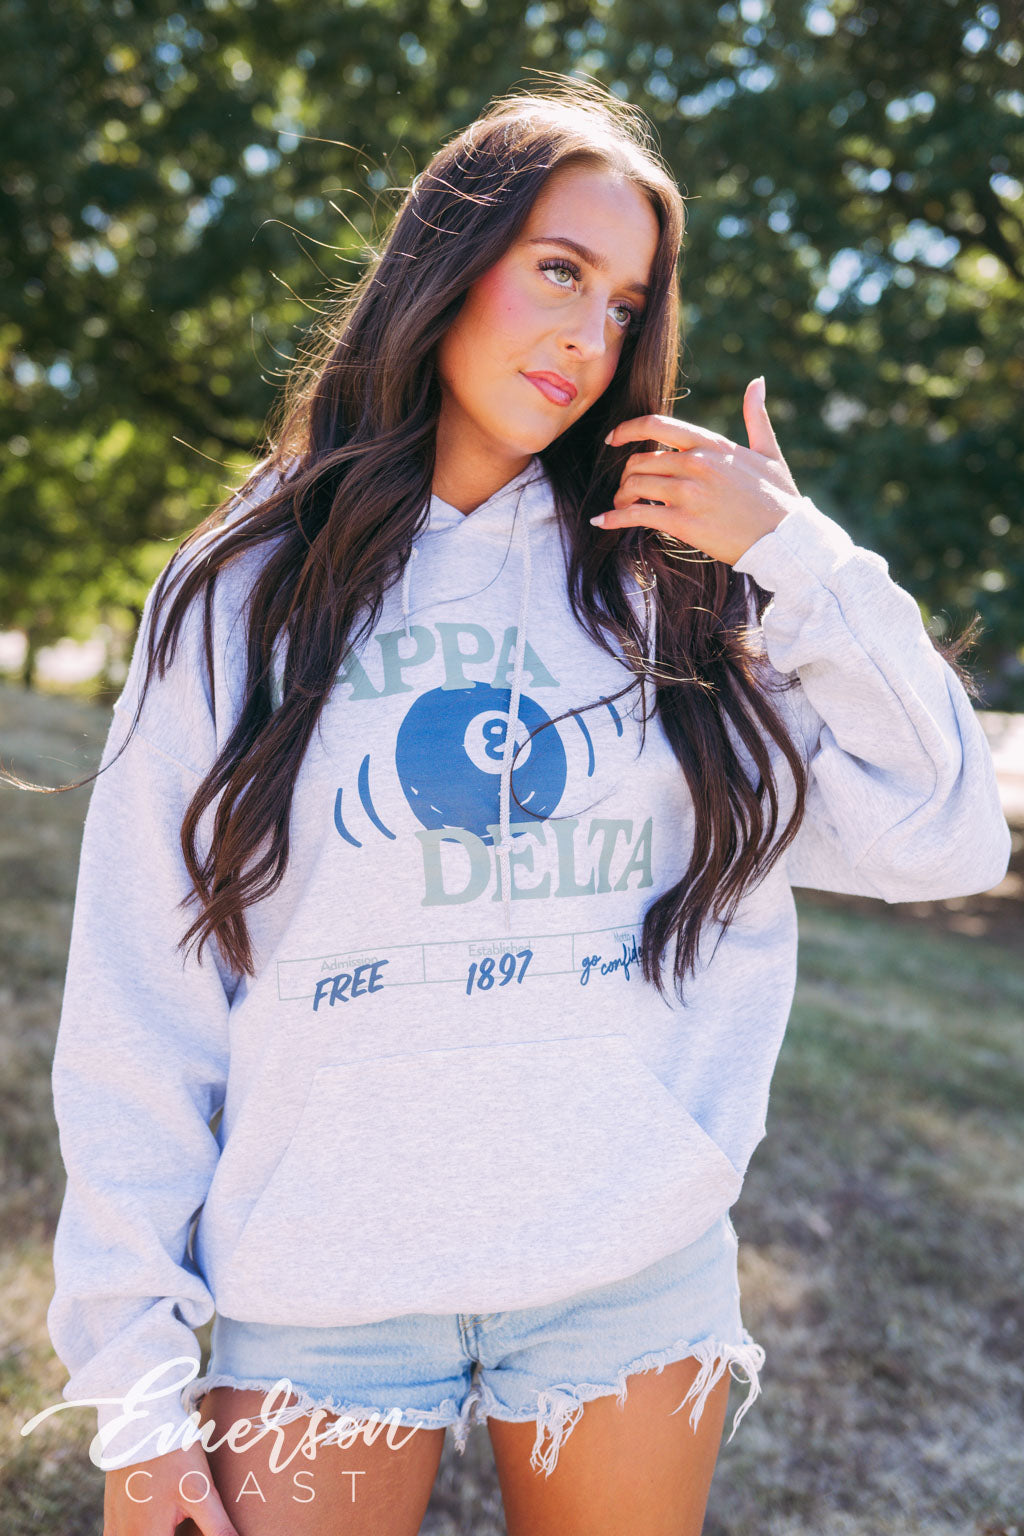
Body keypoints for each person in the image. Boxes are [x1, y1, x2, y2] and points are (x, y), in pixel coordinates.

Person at [37, 76, 1010, 1536]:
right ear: (448, 259)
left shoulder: (667, 584)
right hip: (321, 1284)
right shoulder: (244, 586)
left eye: (624, 305)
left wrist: (798, 554)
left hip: (626, 1275)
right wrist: (135, 1395)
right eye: (560, 270)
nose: (588, 335)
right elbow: (137, 1000)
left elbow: (947, 832)